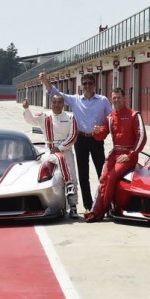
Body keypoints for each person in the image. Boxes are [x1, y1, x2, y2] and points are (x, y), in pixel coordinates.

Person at [40, 71, 112, 212]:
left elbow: (111, 119)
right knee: (83, 174)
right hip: (80, 140)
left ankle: (105, 205)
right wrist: (45, 80)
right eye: (84, 84)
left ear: (94, 84)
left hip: (96, 139)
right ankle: (88, 206)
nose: (87, 86)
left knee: (102, 174)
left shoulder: (103, 100)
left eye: (90, 83)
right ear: (81, 86)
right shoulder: (75, 99)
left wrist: (103, 129)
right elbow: (55, 92)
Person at [85, 87, 146, 222]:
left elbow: (142, 137)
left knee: (112, 177)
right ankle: (96, 210)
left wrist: (131, 154)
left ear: (124, 98)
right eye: (114, 98)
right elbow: (101, 136)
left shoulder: (134, 115)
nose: (116, 100)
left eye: (118, 97)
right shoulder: (110, 117)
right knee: (103, 178)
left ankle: (103, 209)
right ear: (111, 100)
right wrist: (96, 131)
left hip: (128, 155)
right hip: (115, 153)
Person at [22, 95, 79, 218]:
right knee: (52, 179)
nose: (57, 105)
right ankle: (53, 204)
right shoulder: (44, 116)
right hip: (50, 151)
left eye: (59, 102)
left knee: (72, 178)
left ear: (63, 104)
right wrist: (26, 109)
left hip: (66, 151)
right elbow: (30, 120)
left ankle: (73, 207)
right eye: (54, 102)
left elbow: (73, 136)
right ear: (50, 103)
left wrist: (60, 148)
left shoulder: (70, 117)